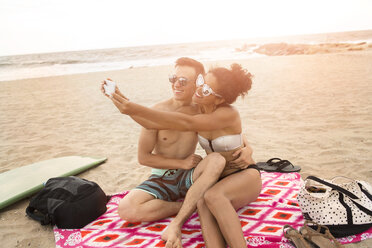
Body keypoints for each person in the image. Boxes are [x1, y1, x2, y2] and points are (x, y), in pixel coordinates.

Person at [106, 63, 262, 248]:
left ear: (219, 99)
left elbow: (189, 123)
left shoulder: (224, 113)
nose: (199, 89)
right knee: (203, 203)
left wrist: (248, 149)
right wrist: (122, 102)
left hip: (242, 174)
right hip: (214, 177)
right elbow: (153, 121)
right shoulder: (201, 109)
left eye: (206, 89)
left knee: (212, 196)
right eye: (201, 82)